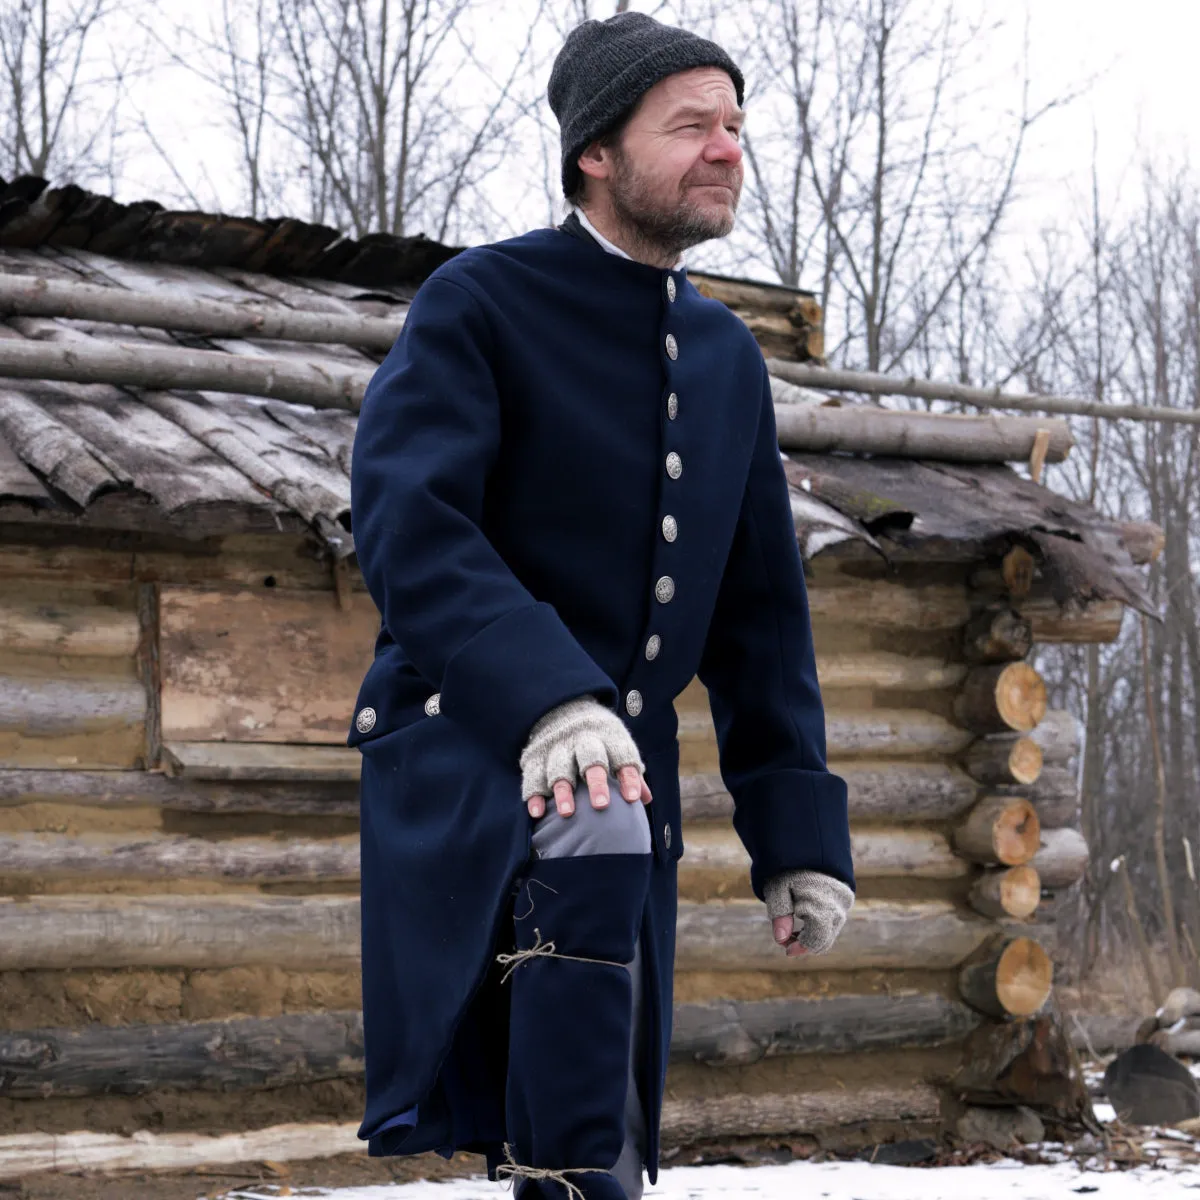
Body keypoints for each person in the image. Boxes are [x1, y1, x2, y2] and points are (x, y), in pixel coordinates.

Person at [348, 12, 855, 1199]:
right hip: (469, 739)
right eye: (692, 126)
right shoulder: (480, 301)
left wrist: (797, 841)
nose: (728, 149)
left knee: (608, 1080)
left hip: (628, 778)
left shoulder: (728, 356)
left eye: (736, 126)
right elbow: (409, 523)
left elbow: (760, 619)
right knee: (599, 831)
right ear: (596, 151)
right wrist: (548, 700)